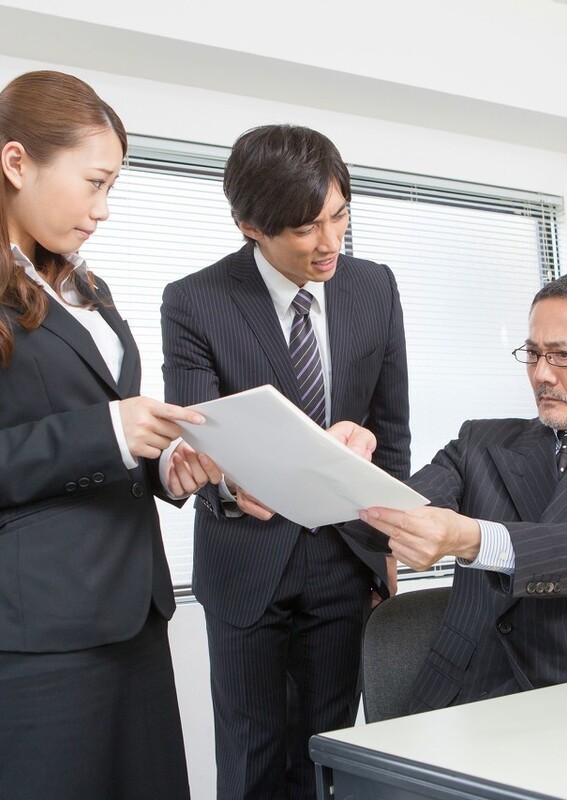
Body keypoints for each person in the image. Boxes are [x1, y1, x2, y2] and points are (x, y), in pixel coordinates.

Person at [0, 70, 221, 799]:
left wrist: (165, 466)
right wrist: (107, 432)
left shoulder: (88, 291)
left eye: (111, 188)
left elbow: (110, 431)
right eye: (94, 183)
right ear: (16, 163)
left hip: (134, 623)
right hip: (34, 639)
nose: (104, 209)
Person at [160, 124, 411, 799]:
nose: (330, 242)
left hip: (344, 557)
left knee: (328, 758)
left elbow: (393, 426)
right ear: (251, 226)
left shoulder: (375, 287)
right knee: (252, 761)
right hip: (247, 561)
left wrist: (389, 537)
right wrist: (225, 487)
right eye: (305, 229)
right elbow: (195, 436)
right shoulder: (195, 301)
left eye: (340, 215)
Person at [351, 270, 567, 713]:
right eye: (533, 354)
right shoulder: (480, 443)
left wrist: (471, 538)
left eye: (562, 356)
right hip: (464, 694)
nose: (541, 375)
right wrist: (346, 464)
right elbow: (382, 521)